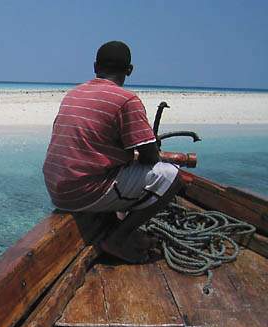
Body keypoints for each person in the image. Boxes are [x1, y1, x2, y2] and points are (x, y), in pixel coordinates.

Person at [42, 40, 182, 263]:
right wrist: (146, 148)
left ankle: (114, 219)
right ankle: (119, 238)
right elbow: (150, 157)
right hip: (82, 192)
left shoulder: (74, 94)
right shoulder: (126, 100)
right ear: (129, 70)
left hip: (57, 189)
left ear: (95, 67)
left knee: (119, 168)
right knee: (172, 176)